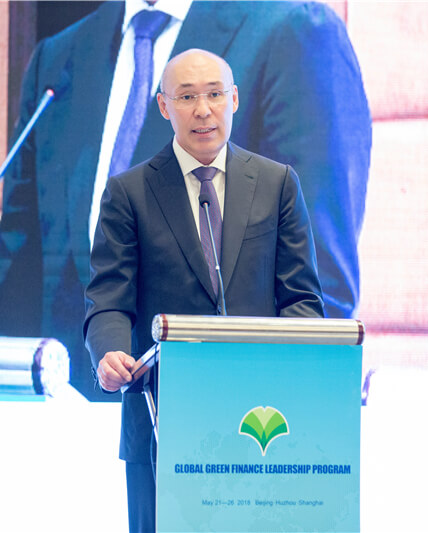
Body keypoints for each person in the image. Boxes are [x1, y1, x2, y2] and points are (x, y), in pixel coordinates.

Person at [0, 0, 371, 402]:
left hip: (222, 416)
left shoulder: (295, 32)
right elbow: (15, 269)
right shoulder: (59, 56)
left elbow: (316, 285)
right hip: (69, 420)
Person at [84, 48, 325, 533]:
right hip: (161, 421)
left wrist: (294, 369)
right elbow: (108, 299)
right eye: (187, 97)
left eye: (215, 94)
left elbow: (301, 300)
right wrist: (109, 352)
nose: (203, 110)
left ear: (234, 99)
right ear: (163, 106)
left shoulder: (277, 184)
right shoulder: (129, 193)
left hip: (262, 422)